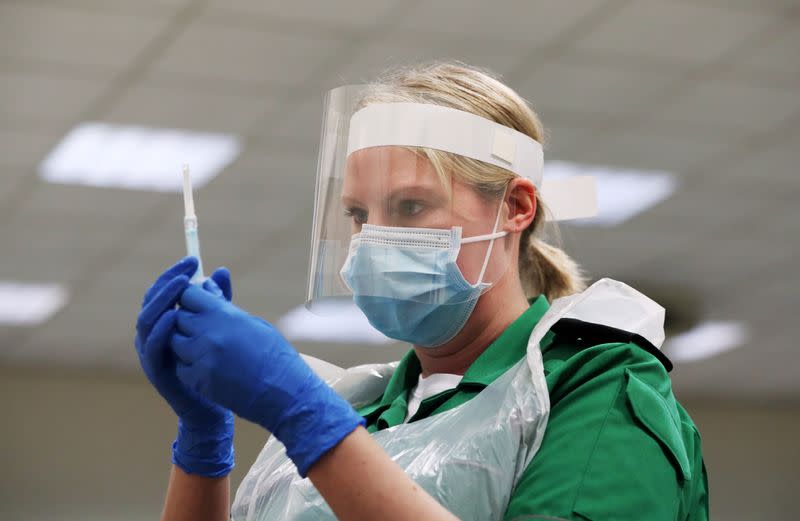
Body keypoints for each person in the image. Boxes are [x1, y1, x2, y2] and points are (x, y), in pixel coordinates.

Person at [134, 62, 708, 521]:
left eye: (410, 206)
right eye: (359, 215)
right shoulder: (362, 408)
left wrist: (308, 421)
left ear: (515, 207)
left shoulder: (594, 386)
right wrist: (204, 447)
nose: (374, 240)